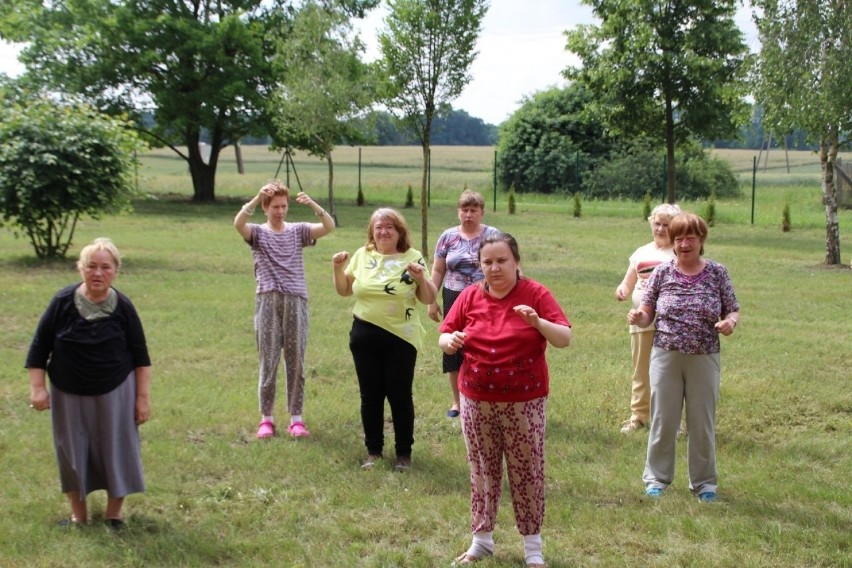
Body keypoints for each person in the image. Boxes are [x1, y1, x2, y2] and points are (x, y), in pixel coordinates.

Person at [438, 233, 572, 568]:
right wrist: (449, 340)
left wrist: (537, 322)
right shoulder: (469, 296)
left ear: (516, 262)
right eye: (488, 262)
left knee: (526, 471)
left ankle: (533, 549)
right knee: (482, 470)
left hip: (524, 402)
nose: (495, 268)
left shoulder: (535, 293)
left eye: (502, 261)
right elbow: (444, 334)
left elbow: (564, 338)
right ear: (480, 265)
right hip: (476, 399)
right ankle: (481, 541)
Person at [25, 237, 152, 528]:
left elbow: (141, 358)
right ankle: (78, 516)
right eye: (91, 266)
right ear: (80, 268)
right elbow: (38, 348)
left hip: (116, 390)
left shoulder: (123, 307)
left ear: (116, 271)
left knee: (116, 448)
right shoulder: (61, 302)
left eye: (105, 267)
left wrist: (142, 399)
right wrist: (37, 388)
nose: (98, 273)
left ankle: (113, 516)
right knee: (72, 451)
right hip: (67, 391)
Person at [628, 212, 740, 503]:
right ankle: (656, 479)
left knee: (701, 421)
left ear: (701, 240)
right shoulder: (663, 273)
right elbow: (647, 312)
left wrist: (730, 323)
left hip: (704, 356)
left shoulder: (717, 272)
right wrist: (640, 317)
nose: (684, 243)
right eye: (678, 238)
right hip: (666, 355)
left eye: (690, 237)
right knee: (663, 419)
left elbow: (733, 309)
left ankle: (704, 484)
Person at [332, 208, 437, 471]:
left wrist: (421, 278)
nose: (384, 231)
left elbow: (427, 297)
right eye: (379, 227)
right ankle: (373, 452)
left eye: (390, 227)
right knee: (370, 396)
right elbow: (345, 290)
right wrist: (337, 269)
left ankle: (404, 454)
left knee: (400, 396)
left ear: (400, 232)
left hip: (401, 337)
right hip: (364, 335)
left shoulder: (412, 258)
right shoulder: (362, 255)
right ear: (372, 232)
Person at [234, 181, 335, 439]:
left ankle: (296, 418)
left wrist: (312, 204)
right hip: (267, 300)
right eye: (275, 207)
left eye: (284, 206)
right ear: (266, 208)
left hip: (296, 300)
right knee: (268, 361)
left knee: (296, 361)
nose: (280, 211)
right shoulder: (257, 233)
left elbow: (328, 226)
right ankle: (266, 418)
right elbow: (238, 224)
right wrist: (257, 197)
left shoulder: (298, 231)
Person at [429, 189, 501, 418]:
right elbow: (438, 269)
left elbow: (508, 264)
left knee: (488, 346)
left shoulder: (493, 235)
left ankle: (488, 397)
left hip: (486, 297)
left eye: (473, 210)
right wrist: (431, 299)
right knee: (453, 348)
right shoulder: (448, 236)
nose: (468, 214)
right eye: (464, 210)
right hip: (453, 296)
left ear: (482, 212)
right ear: (458, 212)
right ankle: (457, 402)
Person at [615, 203, 681, 434]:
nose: (661, 229)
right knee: (641, 370)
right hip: (640, 320)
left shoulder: (678, 253)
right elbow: (628, 281)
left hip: (672, 325)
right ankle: (639, 416)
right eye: (657, 223)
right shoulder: (641, 252)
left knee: (670, 372)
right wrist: (622, 290)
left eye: (667, 225)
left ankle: (672, 420)